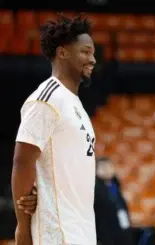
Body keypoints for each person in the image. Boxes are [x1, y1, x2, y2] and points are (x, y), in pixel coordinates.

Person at [11, 13, 97, 245]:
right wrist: (23, 229)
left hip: (82, 230)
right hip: (57, 232)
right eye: (86, 52)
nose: (93, 59)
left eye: (93, 53)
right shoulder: (47, 98)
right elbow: (22, 161)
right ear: (62, 53)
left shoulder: (75, 103)